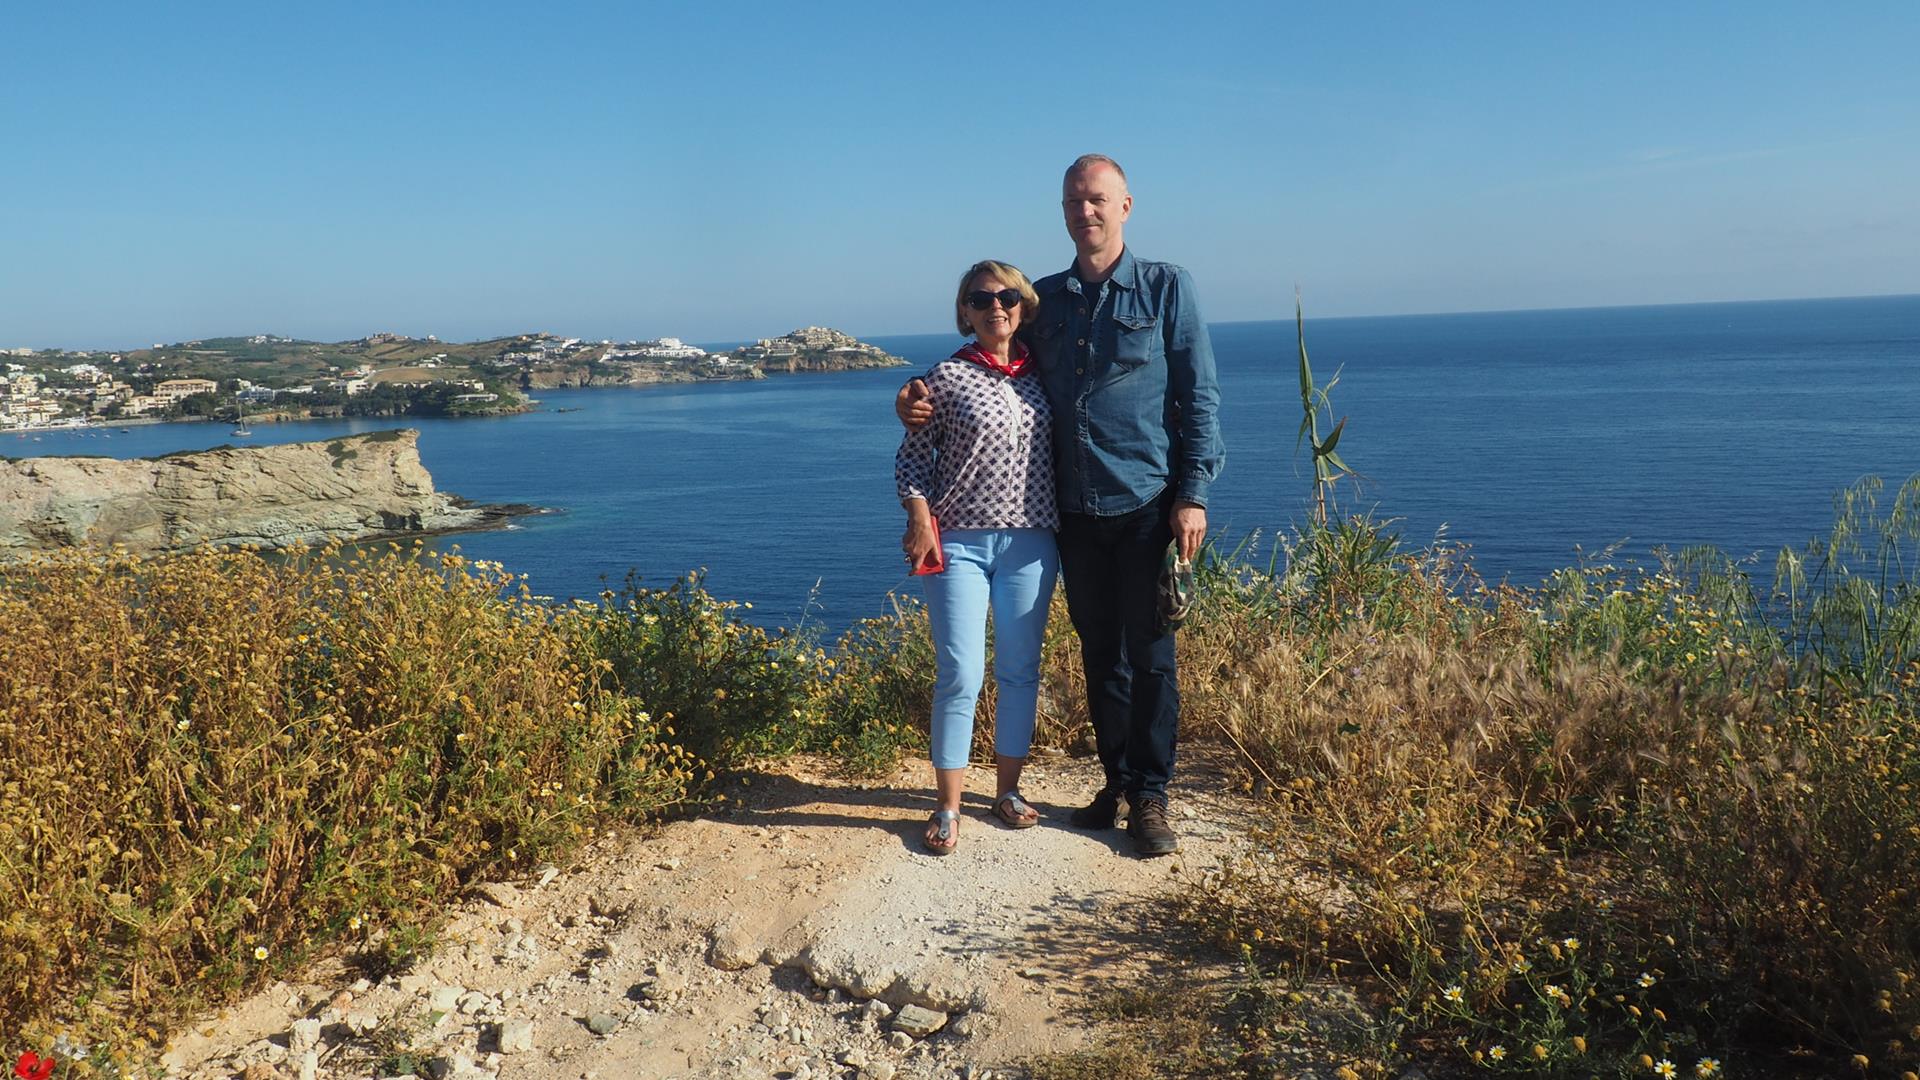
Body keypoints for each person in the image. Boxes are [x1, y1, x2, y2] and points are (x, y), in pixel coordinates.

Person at [898, 155, 1222, 855]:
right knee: (1102, 655)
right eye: (1075, 201)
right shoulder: (1042, 299)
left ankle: (1151, 797)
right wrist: (913, 396)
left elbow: (1198, 396)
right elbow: (984, 356)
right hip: (1070, 514)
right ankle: (1116, 785)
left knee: (1151, 655)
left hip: (1144, 501)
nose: (1086, 211)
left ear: (1125, 205)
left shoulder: (1166, 287)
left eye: (1097, 199)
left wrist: (1192, 495)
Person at [895, 259, 1061, 855]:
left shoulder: (1046, 372)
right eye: (981, 298)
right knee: (961, 672)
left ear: (1024, 306)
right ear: (964, 311)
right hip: (958, 540)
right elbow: (913, 459)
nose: (996, 306)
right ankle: (947, 806)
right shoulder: (943, 377)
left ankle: (1007, 792)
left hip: (1033, 540)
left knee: (1020, 670)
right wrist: (919, 519)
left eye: (1008, 296)